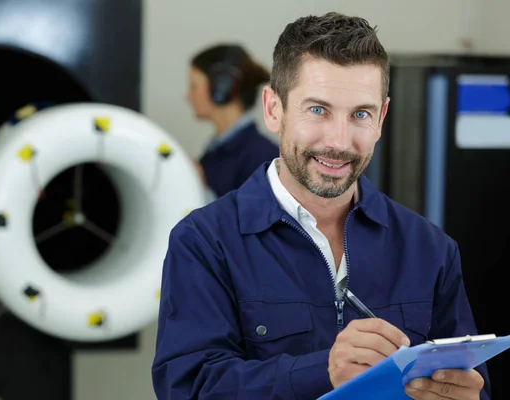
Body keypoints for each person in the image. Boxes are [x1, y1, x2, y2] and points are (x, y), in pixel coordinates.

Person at [153, 12, 491, 400]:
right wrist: (322, 370)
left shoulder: (431, 248)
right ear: (273, 109)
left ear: (381, 118)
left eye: (360, 114)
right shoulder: (204, 242)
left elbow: (471, 384)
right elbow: (189, 388)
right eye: (318, 110)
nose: (339, 141)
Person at [187, 44, 279, 200]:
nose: (188, 96)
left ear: (221, 88)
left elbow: (252, 221)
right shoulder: (215, 152)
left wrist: (200, 187)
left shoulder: (262, 157)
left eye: (194, 87)